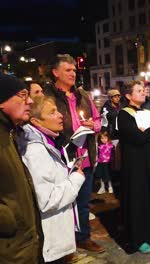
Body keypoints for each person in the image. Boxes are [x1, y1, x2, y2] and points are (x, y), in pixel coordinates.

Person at [43, 54, 104, 253]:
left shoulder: (83, 95)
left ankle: (83, 237)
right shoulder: (47, 96)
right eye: (68, 70)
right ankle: (63, 243)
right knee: (63, 203)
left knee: (84, 202)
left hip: (84, 158)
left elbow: (98, 121)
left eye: (74, 71)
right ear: (55, 72)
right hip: (61, 158)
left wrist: (92, 125)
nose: (72, 74)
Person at [18, 96, 85, 262]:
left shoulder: (48, 142)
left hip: (55, 237)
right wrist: (76, 179)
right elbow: (47, 200)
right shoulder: (35, 151)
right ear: (37, 122)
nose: (61, 115)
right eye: (52, 112)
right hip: (49, 241)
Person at [118, 81, 150, 253]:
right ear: (128, 95)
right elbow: (137, 139)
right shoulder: (123, 115)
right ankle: (138, 238)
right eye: (138, 91)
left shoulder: (147, 112)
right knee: (139, 199)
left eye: (143, 90)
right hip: (136, 164)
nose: (143, 93)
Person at [0, 74, 44, 263]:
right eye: (22, 95)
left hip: (22, 246)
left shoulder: (8, 134)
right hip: (10, 248)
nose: (30, 101)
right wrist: (10, 219)